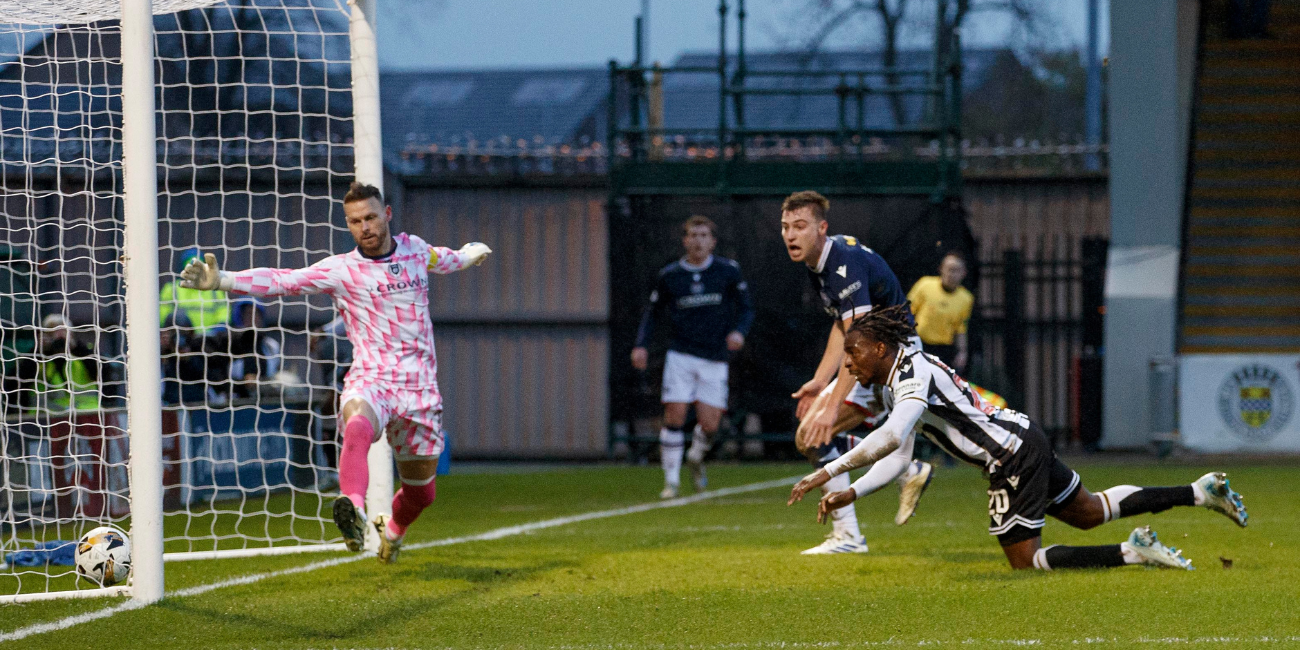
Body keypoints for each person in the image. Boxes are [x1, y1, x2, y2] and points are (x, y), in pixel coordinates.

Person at [788, 304, 1249, 570]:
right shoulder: (898, 381)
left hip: (1010, 457)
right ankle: (1198, 491)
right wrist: (850, 492)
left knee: (1024, 562)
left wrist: (827, 471)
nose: (847, 363)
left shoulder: (912, 373)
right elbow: (897, 456)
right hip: (1023, 437)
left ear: (880, 348)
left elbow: (890, 438)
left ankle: (1133, 552)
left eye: (853, 352)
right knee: (1090, 511)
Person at [179, 181, 491, 564]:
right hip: (372, 378)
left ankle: (392, 531)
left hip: (420, 389)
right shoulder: (341, 270)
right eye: (356, 221)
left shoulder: (414, 250)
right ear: (349, 225)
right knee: (357, 422)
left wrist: (467, 255)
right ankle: (353, 507)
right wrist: (224, 280)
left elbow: (443, 259)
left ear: (387, 215)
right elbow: (282, 280)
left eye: (371, 217)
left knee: (421, 494)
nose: (366, 227)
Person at [780, 190, 933, 554]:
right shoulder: (822, 263)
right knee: (811, 437)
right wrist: (820, 382)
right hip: (877, 358)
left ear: (822, 227)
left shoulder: (840, 263)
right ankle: (903, 469)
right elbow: (844, 326)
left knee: (816, 434)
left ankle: (849, 535)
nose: (790, 235)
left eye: (800, 226)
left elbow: (856, 337)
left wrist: (832, 405)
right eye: (785, 227)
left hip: (892, 361)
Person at [632, 216, 753, 498]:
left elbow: (747, 308)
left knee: (710, 424)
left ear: (713, 241)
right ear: (684, 240)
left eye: (703, 235)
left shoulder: (728, 271)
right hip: (681, 354)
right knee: (674, 414)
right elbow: (653, 314)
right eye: (693, 235)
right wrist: (641, 345)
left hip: (714, 356)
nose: (698, 240)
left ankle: (696, 458)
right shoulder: (670, 276)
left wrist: (739, 332)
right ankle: (671, 482)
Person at [907, 252, 973, 373]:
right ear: (941, 269)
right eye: (949, 269)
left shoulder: (966, 298)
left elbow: (961, 328)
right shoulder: (925, 285)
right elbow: (907, 312)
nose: (951, 274)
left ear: (964, 273)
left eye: (956, 270)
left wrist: (963, 352)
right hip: (921, 344)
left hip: (944, 350)